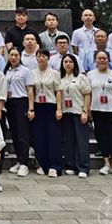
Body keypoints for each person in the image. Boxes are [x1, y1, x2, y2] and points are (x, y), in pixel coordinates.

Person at [88, 50, 112, 177]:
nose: (102, 60)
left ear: (108, 60)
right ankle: (106, 163)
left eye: (104, 58)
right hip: (97, 110)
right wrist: (88, 110)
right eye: (99, 58)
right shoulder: (90, 75)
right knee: (101, 136)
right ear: (95, 60)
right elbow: (89, 93)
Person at [30, 49, 63, 177]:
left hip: (51, 105)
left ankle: (54, 166)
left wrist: (59, 109)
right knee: (39, 137)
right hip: (38, 106)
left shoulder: (55, 73)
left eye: (44, 56)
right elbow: (31, 91)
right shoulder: (32, 73)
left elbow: (58, 91)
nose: (41, 58)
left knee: (53, 136)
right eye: (39, 56)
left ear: (48, 58)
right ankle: (43, 165)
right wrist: (31, 109)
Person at [59, 53, 92, 178]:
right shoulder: (60, 78)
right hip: (66, 112)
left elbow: (87, 94)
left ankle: (83, 167)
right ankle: (70, 165)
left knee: (81, 141)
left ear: (75, 64)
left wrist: (85, 111)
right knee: (68, 141)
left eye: (70, 62)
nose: (68, 64)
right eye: (65, 62)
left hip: (78, 112)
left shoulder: (81, 77)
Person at [4, 48, 34, 178]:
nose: (13, 57)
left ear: (20, 57)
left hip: (22, 102)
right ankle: (19, 160)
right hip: (10, 103)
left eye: (16, 55)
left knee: (23, 134)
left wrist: (31, 108)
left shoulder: (25, 71)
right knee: (15, 133)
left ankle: (24, 163)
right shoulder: (7, 71)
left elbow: (30, 90)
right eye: (11, 55)